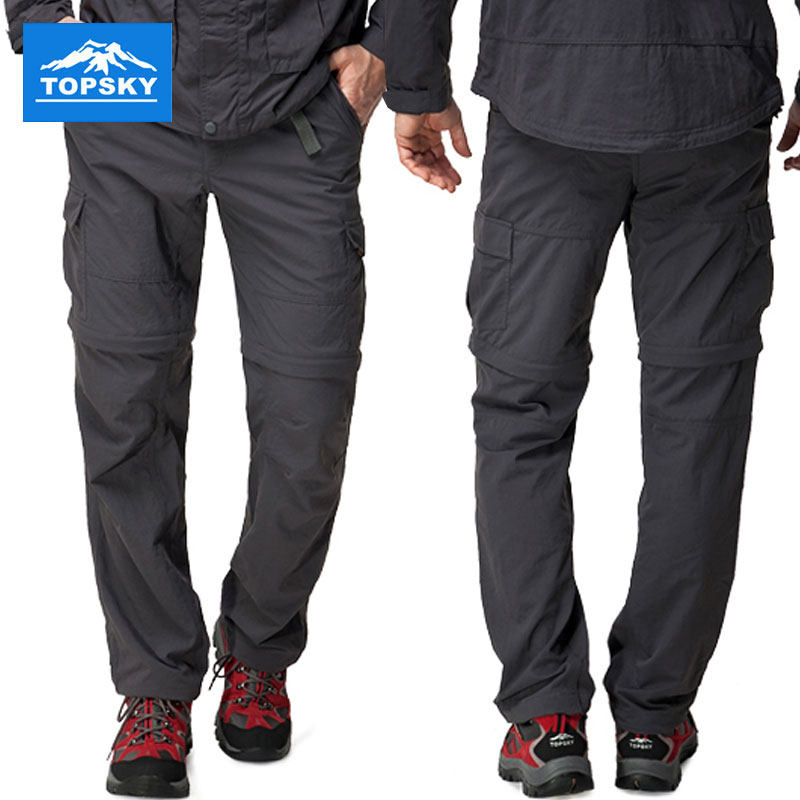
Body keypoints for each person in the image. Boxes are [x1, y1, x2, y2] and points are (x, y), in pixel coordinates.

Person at [386, 0, 800, 795]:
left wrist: (413, 76)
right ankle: (653, 720)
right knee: (699, 421)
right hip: (712, 92)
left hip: (550, 85)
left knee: (522, 409)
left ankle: (545, 715)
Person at [4, 1, 386, 796]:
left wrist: (391, 46)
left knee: (309, 410)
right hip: (125, 77)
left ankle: (260, 651)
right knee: (125, 403)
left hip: (297, 90)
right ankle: (153, 685)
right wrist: (44, 28)